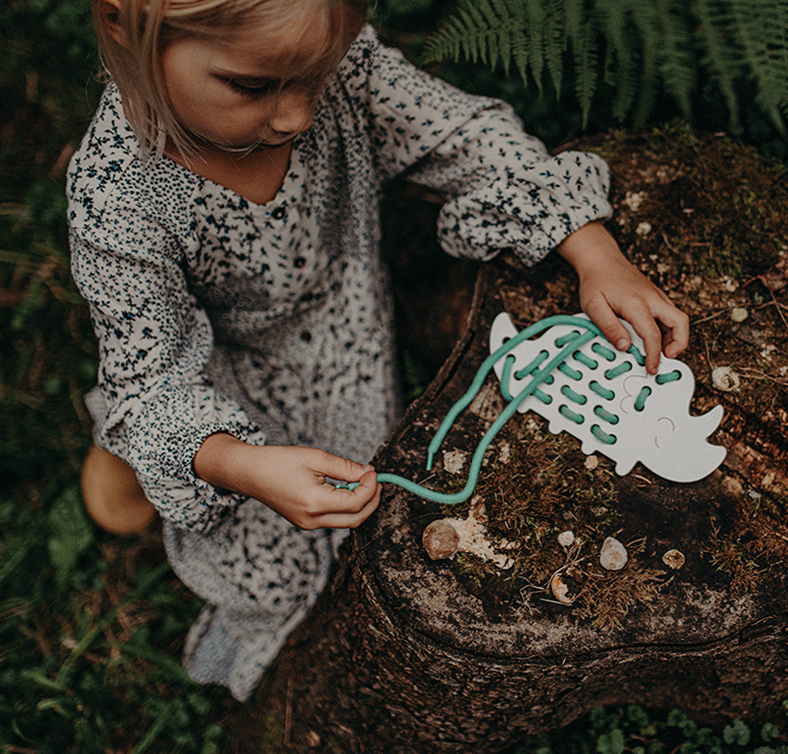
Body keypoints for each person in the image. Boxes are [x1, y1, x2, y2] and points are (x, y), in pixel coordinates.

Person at [68, 0, 689, 701]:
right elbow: (152, 375)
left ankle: (125, 446)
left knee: (348, 490)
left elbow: (460, 135)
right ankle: (127, 452)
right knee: (245, 525)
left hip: (345, 337)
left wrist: (591, 247)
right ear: (123, 25)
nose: (299, 115)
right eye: (254, 86)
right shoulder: (119, 201)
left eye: (318, 74)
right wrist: (238, 462)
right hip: (225, 367)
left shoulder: (333, 70)